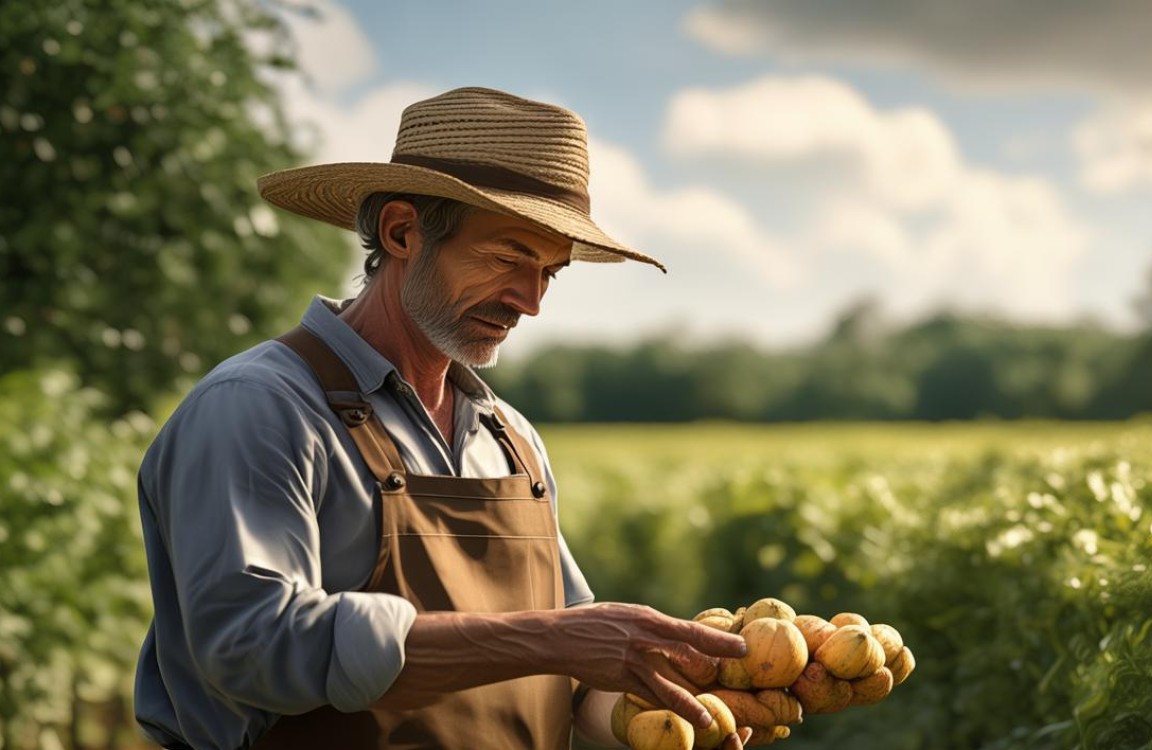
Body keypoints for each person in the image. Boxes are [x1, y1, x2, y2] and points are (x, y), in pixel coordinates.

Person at [134, 87, 752, 749]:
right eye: (508, 257)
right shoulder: (260, 408)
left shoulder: (510, 440)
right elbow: (251, 645)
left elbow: (572, 676)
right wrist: (548, 638)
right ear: (402, 231)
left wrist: (674, 717)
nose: (530, 302)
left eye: (550, 272)